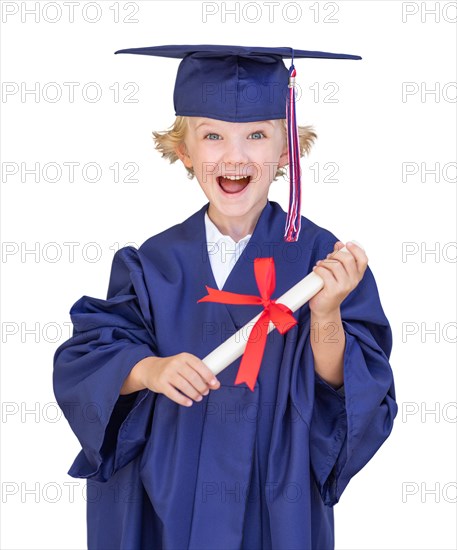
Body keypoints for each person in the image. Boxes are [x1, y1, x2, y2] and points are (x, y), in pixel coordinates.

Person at [53, 45, 397, 549]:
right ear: (185, 151)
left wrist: (325, 313)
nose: (234, 156)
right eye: (212, 135)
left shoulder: (323, 264)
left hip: (275, 496)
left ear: (286, 151)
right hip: (166, 498)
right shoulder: (153, 264)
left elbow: (348, 394)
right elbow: (88, 362)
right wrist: (152, 369)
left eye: (256, 135)